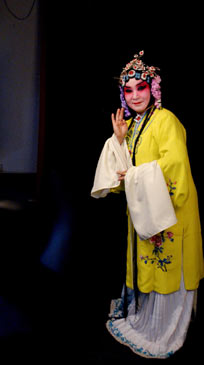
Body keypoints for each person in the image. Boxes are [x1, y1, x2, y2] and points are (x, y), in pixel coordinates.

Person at [91, 50, 204, 359]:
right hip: (146, 212)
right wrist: (119, 139)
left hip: (169, 213)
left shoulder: (166, 120)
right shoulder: (136, 124)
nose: (135, 95)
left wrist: (138, 175)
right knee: (147, 267)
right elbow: (124, 172)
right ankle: (145, 318)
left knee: (165, 267)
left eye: (141, 87)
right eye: (128, 89)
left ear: (153, 88)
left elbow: (176, 166)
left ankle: (162, 329)